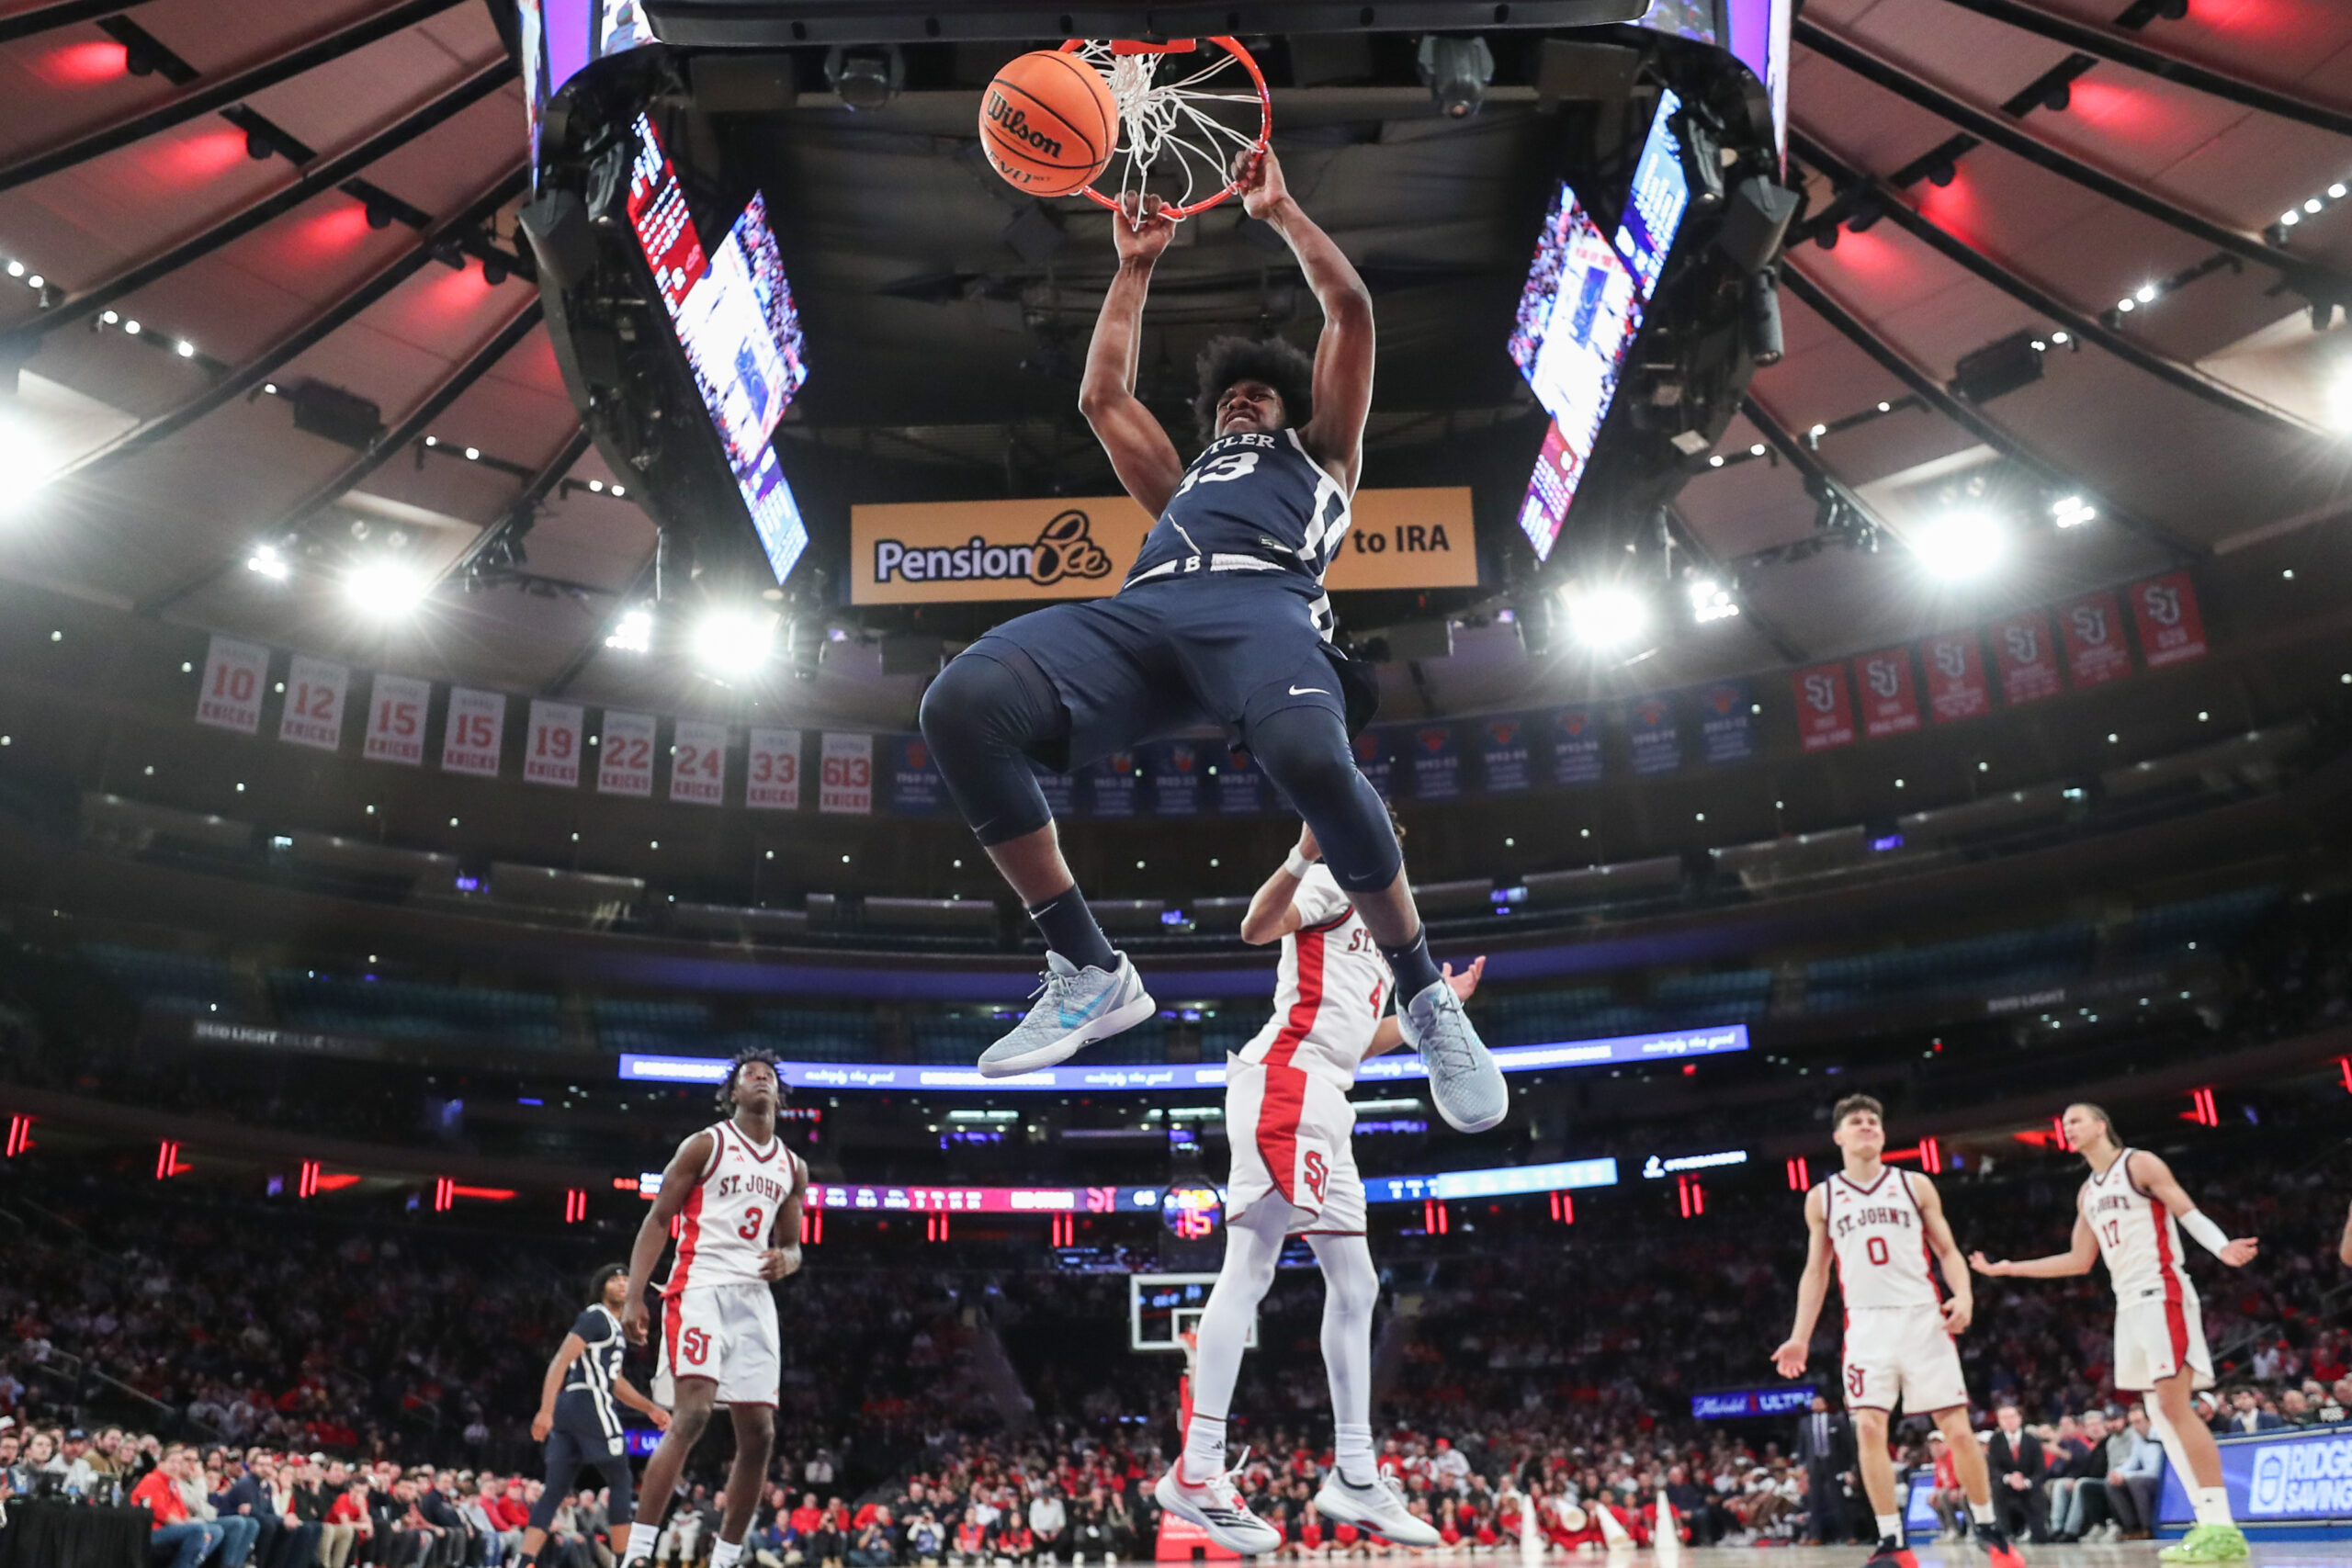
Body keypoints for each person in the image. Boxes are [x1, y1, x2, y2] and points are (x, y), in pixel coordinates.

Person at [914, 152, 1506, 1136]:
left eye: (1257, 394)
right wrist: (1134, 267)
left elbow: (1349, 312)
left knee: (1314, 758)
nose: (1241, 398)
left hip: (1265, 610)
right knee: (960, 705)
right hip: (1145, 615)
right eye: (1229, 396)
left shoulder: (1322, 454)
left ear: (1289, 408)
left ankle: (1421, 994)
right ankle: (1090, 969)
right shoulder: (1184, 484)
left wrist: (1278, 210)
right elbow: (1103, 400)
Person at [1159, 823, 1482, 1553]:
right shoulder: (1331, 881)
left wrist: (1440, 1008)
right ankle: (1198, 1468)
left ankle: (1356, 1474)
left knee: (1357, 1283)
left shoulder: (1386, 922)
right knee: (1250, 1266)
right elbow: (1254, 926)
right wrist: (1304, 850)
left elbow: (1357, 1035)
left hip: (1329, 1100)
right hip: (1286, 1084)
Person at [1971, 1100, 2259, 1563]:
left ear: (2101, 1125)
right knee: (2161, 1417)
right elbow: (2078, 1260)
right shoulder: (2086, 1193)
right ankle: (2209, 1524)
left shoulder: (2139, 1163)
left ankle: (2222, 1525)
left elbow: (2185, 1210)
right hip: (2127, 1305)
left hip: (2161, 1291)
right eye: (2064, 1124)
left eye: (2075, 1119)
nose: (2067, 1127)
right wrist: (2009, 1268)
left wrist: (2222, 1245)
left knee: (2172, 1406)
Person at [1773, 1095, 2025, 1568]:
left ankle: (1989, 1527)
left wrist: (1965, 1296)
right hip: (1866, 1322)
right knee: (1867, 1427)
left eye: (1873, 1121)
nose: (1867, 1127)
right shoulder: (1821, 1198)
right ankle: (1892, 1540)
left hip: (1921, 1316)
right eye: (1856, 1122)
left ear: (1883, 1135)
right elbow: (1815, 1272)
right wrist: (1799, 1336)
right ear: (1839, 1137)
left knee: (1957, 1429)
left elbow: (1948, 1251)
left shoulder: (1915, 1184)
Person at [620, 1047, 809, 1568]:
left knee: (761, 1434)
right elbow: (659, 1218)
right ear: (733, 1093)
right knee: (695, 1414)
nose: (760, 1079)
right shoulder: (706, 1144)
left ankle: (725, 1558)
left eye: (768, 1075)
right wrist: (636, 1295)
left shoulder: (793, 1166)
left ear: (779, 1094)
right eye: (750, 1074)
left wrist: (787, 1261)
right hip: (700, 1285)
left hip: (754, 1300)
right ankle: (637, 1554)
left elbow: (794, 1245)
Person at [521, 1263, 673, 1566]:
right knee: (620, 1478)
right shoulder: (595, 1316)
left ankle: (523, 1562)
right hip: (587, 1401)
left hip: (574, 1407)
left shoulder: (614, 1326)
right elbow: (560, 1360)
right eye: (613, 1279)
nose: (621, 1282)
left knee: (555, 1489)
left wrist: (650, 1408)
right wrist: (544, 1410)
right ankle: (625, 1561)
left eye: (625, 1279)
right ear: (600, 1287)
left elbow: (615, 1381)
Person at [134, 1448, 225, 1568]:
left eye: (179, 1463)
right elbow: (158, 1512)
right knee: (197, 1530)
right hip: (151, 1531)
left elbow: (183, 1511)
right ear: (161, 1463)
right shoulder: (152, 1480)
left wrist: (198, 1528)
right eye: (172, 1462)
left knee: (215, 1531)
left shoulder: (172, 1483)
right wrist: (189, 1527)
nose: (175, 1466)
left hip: (170, 1527)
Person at [1794, 1394, 1854, 1545]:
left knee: (1838, 1499)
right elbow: (1801, 1445)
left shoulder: (1835, 1420)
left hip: (1833, 1463)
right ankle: (1816, 1535)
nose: (1817, 1404)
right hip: (1814, 1463)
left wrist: (1848, 1468)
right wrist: (1800, 1465)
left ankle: (1848, 1535)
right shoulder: (1805, 1422)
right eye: (1815, 1402)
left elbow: (1845, 1445)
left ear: (1826, 1405)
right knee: (1814, 1500)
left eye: (1820, 1401)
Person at [2218, 1388, 2284, 1434]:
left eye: (2244, 1398)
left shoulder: (2270, 1418)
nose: (2241, 1402)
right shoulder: (2235, 1424)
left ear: (2254, 1399)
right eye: (2237, 1399)